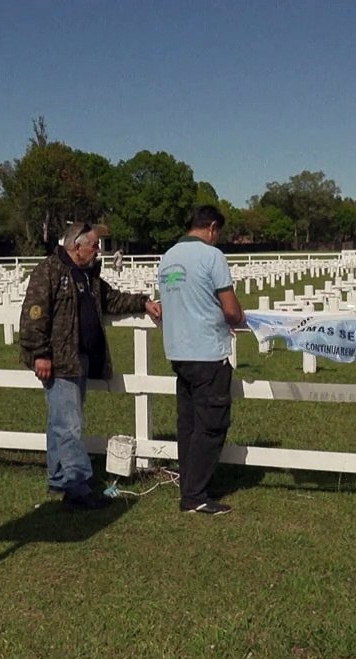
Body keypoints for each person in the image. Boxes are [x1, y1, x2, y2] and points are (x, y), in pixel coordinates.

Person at [19, 222, 162, 510]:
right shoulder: (49, 271)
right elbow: (34, 314)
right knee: (69, 424)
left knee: (60, 422)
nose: (98, 251)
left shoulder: (88, 276)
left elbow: (112, 299)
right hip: (59, 360)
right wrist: (40, 354)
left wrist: (144, 302)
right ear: (76, 247)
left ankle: (61, 479)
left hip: (79, 358)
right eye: (94, 246)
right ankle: (78, 487)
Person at [157, 206, 245, 515]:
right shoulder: (212, 256)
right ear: (211, 227)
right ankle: (196, 495)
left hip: (178, 351)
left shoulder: (167, 258)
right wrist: (240, 318)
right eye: (217, 232)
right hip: (208, 351)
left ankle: (189, 487)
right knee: (211, 425)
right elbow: (231, 310)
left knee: (189, 425)